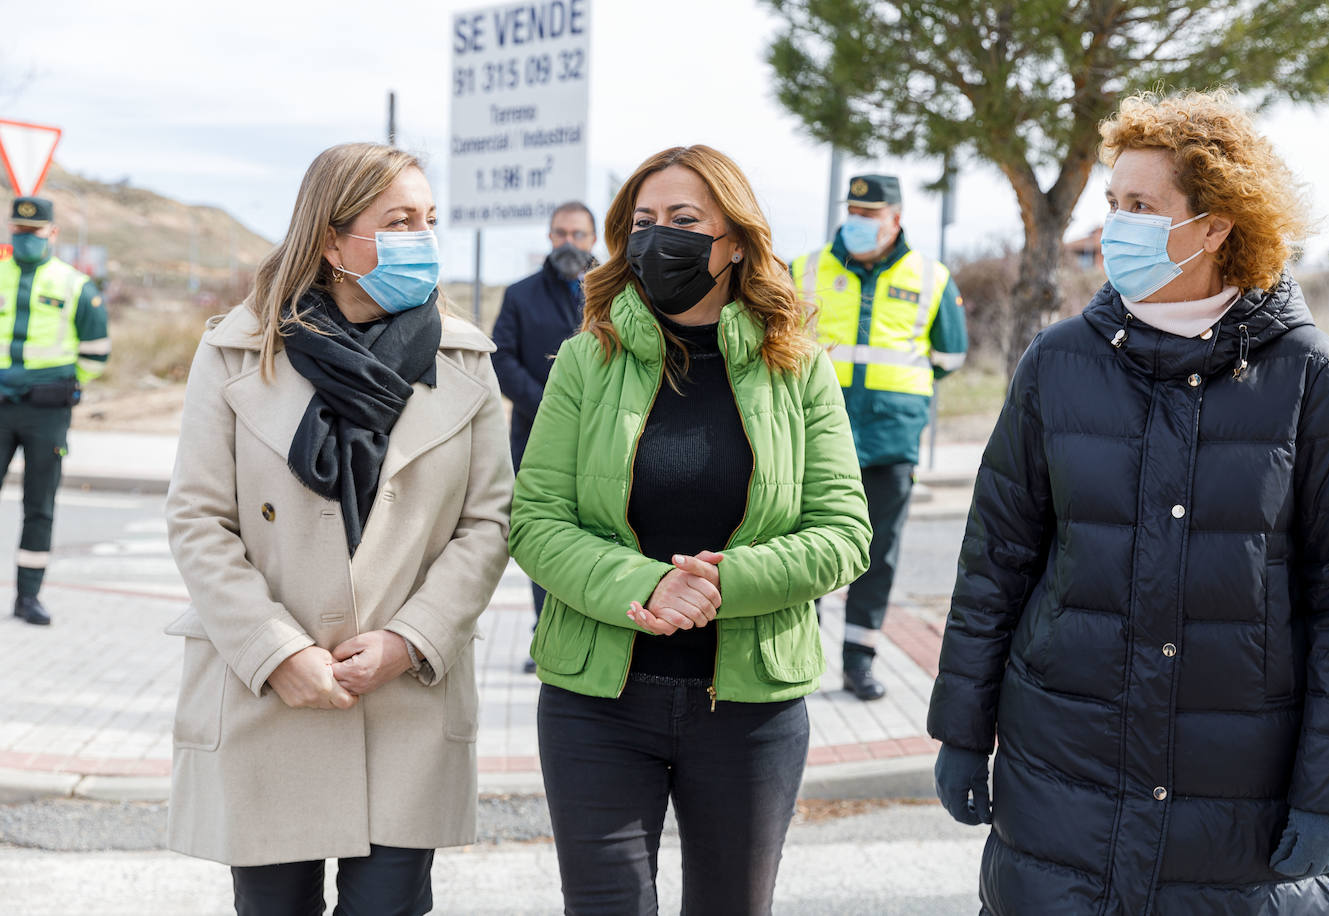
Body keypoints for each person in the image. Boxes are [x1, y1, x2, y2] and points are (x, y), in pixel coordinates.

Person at [928, 90, 1329, 914]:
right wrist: (962, 726)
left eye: (1142, 206)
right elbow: (996, 559)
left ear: (1216, 225)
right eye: (1112, 203)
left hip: (1238, 801)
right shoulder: (1057, 363)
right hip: (1064, 781)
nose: (1114, 227)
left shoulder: (1312, 381)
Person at [509, 145, 872, 915]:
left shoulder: (798, 365)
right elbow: (536, 523)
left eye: (682, 220)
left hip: (749, 709)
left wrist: (719, 585)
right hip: (596, 705)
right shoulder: (584, 361)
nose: (656, 239)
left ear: (734, 240)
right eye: (642, 222)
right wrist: (650, 585)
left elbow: (844, 531)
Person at [164, 143, 513, 916]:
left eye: (428, 219)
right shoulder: (235, 350)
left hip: (405, 695)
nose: (421, 237)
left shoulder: (465, 359)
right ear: (330, 238)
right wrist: (275, 650)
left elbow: (489, 521)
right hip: (269, 693)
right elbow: (197, 517)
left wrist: (412, 639)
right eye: (397, 221)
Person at [791, 175, 967, 700]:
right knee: (804, 549)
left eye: (871, 215)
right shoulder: (803, 270)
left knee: (875, 554)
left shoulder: (933, 277)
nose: (859, 223)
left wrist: (901, 397)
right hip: (814, 437)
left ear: (896, 218)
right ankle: (800, 659)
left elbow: (951, 356)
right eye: (853, 212)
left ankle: (859, 662)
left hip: (891, 441)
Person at [491, 200, 597, 673]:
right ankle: (546, 630)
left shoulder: (616, 292)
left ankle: (593, 626)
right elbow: (501, 358)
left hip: (601, 436)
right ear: (549, 237)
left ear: (594, 239)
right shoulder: (520, 294)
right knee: (542, 534)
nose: (568, 242)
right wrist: (547, 404)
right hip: (535, 435)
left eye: (577, 233)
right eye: (560, 233)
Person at [0, 196, 110, 626]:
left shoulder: (76, 285)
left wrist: (62, 383)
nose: (26, 239)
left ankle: (29, 596)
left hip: (47, 411)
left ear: (53, 234)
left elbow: (96, 354)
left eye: (35, 232)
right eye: (19, 231)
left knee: (39, 505)